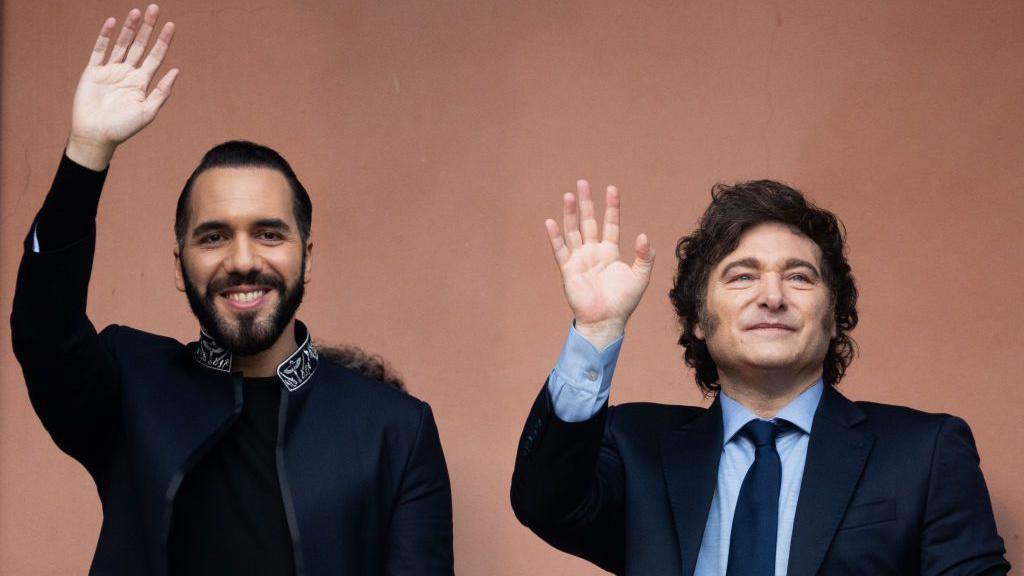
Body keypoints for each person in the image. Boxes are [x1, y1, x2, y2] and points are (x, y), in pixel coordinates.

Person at [10, 5, 453, 575]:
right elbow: (44, 332)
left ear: (306, 258)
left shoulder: (395, 428)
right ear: (179, 264)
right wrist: (87, 154)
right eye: (214, 236)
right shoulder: (130, 387)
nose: (243, 261)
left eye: (268, 234)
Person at [511, 179, 1009, 575]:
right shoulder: (636, 447)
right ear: (698, 321)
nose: (773, 296)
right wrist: (598, 330)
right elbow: (545, 503)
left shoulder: (926, 452)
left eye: (799, 276)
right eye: (742, 276)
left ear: (834, 317)